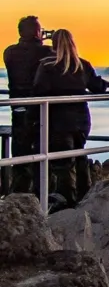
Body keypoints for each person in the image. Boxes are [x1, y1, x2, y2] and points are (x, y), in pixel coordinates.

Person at [32, 29, 109, 208]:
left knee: (64, 162)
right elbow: (95, 86)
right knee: (79, 155)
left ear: (53, 44)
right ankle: (85, 196)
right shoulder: (82, 65)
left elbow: (38, 92)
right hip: (82, 120)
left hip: (58, 121)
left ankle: (66, 201)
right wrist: (104, 84)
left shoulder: (47, 67)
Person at [3, 15, 54, 195]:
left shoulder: (9, 52)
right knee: (42, 155)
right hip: (39, 111)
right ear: (36, 32)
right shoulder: (47, 52)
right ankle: (42, 197)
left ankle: (19, 196)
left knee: (20, 154)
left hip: (17, 109)